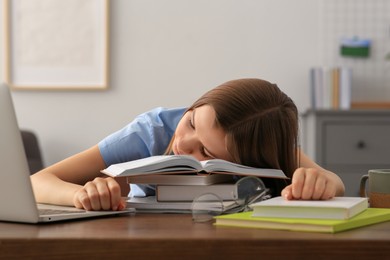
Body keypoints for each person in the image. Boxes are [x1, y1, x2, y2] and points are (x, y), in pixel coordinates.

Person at [31, 78, 345, 211]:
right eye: (192, 122)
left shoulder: (264, 147)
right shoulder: (152, 131)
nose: (183, 144)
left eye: (207, 153)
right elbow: (37, 181)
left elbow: (336, 183)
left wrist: (319, 182)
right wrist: (81, 194)